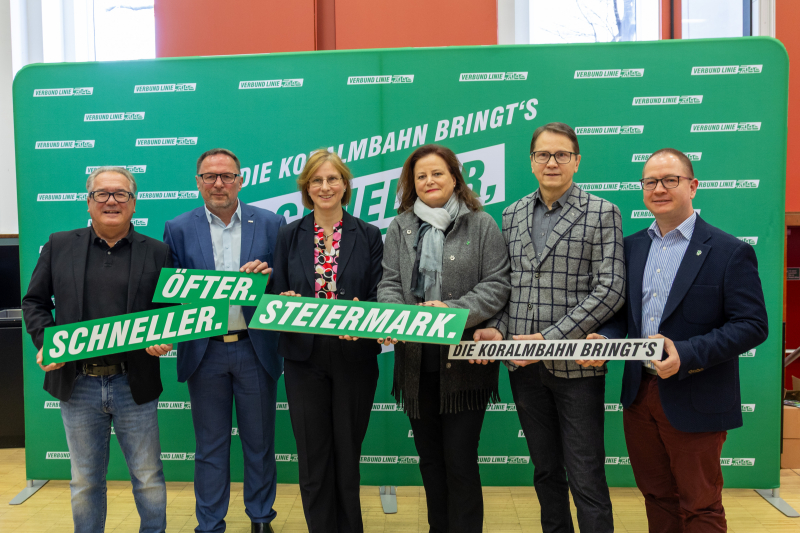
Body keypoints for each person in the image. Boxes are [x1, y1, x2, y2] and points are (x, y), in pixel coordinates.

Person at [592, 148, 768, 532]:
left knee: (700, 505)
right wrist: (604, 339)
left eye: (670, 180)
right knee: (657, 496)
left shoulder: (730, 251)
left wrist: (686, 353)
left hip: (696, 393)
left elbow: (752, 324)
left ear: (692, 186)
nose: (659, 188)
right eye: (650, 182)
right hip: (640, 395)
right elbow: (622, 316)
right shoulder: (630, 247)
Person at [475, 122, 625, 533]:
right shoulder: (512, 214)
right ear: (531, 161)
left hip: (577, 367)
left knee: (586, 475)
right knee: (545, 471)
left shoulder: (602, 212)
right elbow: (507, 285)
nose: (552, 162)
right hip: (523, 368)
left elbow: (610, 289)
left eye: (561, 154)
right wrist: (497, 328)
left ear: (577, 161)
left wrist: (547, 340)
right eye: (543, 154)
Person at [21, 166, 172, 533]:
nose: (111, 201)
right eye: (102, 194)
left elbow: (169, 309)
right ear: (88, 203)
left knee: (148, 478)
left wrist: (165, 334)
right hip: (78, 384)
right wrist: (47, 342)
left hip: (134, 383)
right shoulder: (59, 245)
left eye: (121, 194)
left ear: (133, 203)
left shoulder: (157, 251)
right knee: (85, 481)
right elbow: (35, 302)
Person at [377, 144, 511, 532]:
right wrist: (401, 315)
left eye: (437, 173)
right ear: (411, 183)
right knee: (431, 462)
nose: (429, 181)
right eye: (421, 176)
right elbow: (389, 283)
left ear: (454, 177)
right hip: (416, 364)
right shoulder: (400, 227)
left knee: (460, 460)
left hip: (465, 364)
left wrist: (451, 311)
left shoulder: (481, 224)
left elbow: (497, 284)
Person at [163, 148, 285, 533]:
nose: (219, 183)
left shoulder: (271, 223)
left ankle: (261, 518)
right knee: (210, 447)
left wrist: (269, 276)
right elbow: (168, 293)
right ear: (198, 182)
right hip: (205, 351)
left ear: (240, 181)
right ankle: (210, 524)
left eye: (227, 176)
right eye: (210, 176)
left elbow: (286, 284)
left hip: (255, 347)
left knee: (260, 443)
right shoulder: (178, 228)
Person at [270, 149, 383, 533]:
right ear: (306, 188)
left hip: (355, 355)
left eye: (333, 179)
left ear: (345, 184)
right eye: (316, 180)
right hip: (303, 358)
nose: (325, 187)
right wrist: (284, 298)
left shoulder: (368, 234)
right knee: (312, 457)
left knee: (347, 455)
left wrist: (364, 313)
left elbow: (380, 293)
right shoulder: (289, 234)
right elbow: (276, 290)